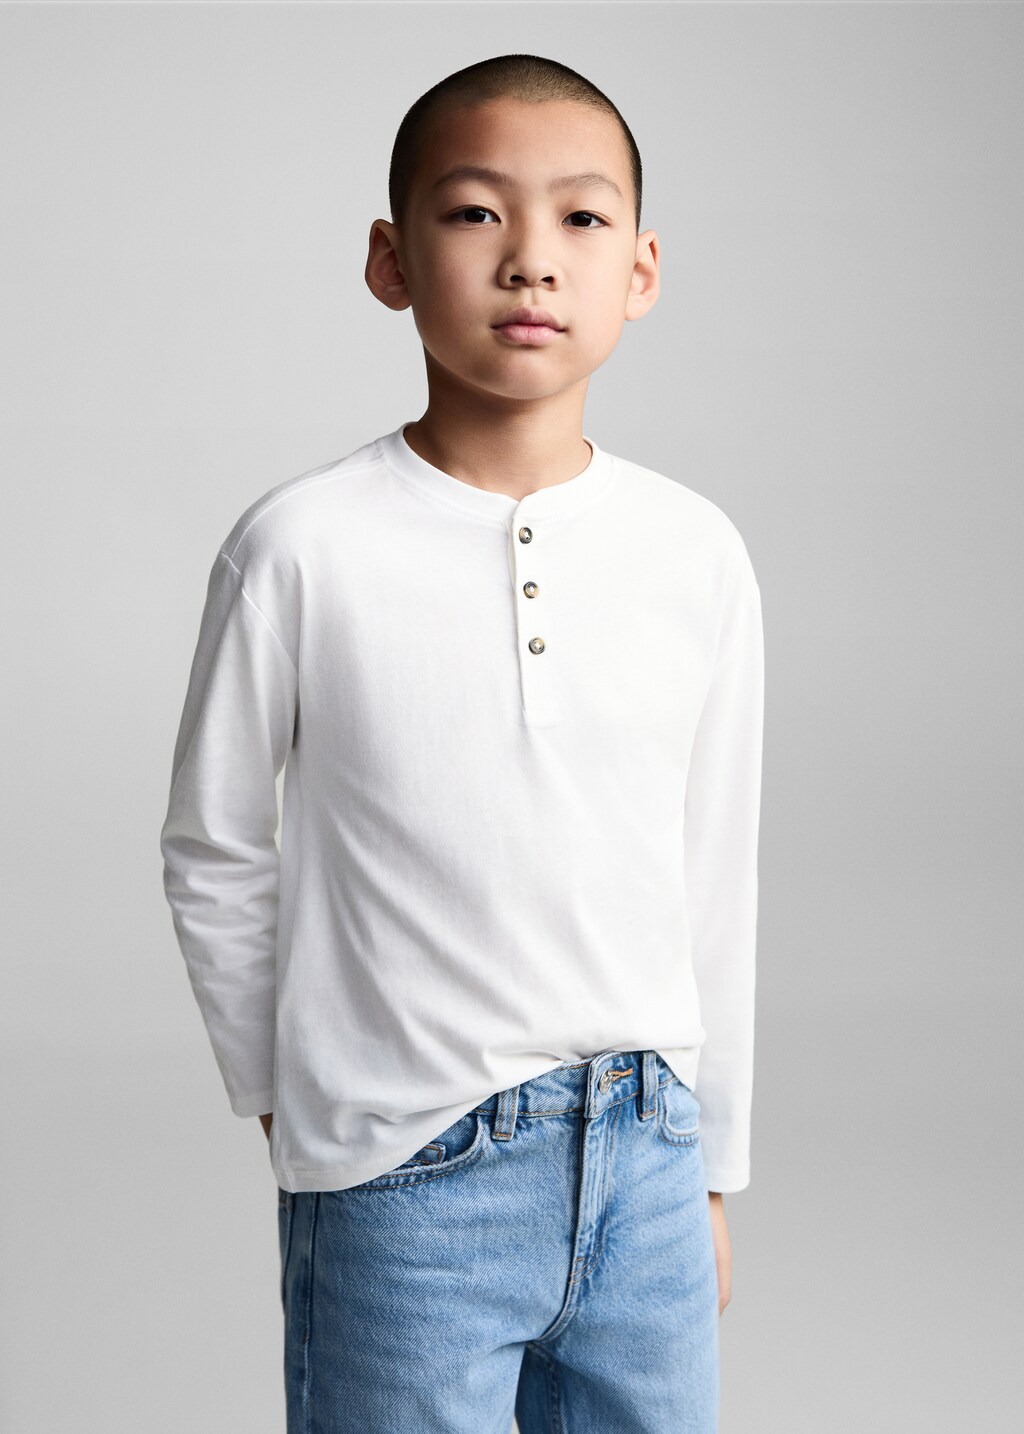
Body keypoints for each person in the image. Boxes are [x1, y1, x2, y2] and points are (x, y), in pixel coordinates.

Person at [159, 51, 765, 1434]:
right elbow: (214, 847)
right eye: (477, 211)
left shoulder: (695, 553)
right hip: (406, 1178)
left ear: (642, 269)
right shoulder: (301, 547)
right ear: (391, 259)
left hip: (648, 1162)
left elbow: (713, 870)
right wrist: (296, 1110)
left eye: (582, 218)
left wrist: (711, 1169)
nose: (531, 259)